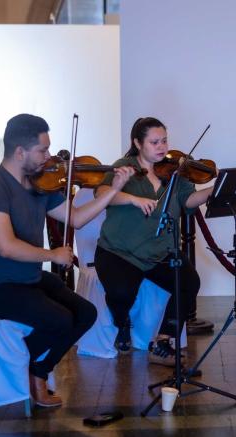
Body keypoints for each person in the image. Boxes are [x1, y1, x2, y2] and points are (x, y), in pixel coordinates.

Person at [0, 113, 135, 407]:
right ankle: (19, 367)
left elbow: (77, 218)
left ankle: (33, 367)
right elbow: (6, 247)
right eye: (42, 150)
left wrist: (114, 191)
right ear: (20, 152)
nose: (49, 157)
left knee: (85, 313)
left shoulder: (39, 185)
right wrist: (52, 255)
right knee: (59, 321)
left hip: (28, 278)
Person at [94, 117, 213, 365]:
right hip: (120, 251)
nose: (162, 147)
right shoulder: (125, 167)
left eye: (164, 141)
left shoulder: (175, 172)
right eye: (154, 142)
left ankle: (162, 341)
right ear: (138, 143)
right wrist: (132, 199)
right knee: (121, 292)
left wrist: (214, 190)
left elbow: (188, 201)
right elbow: (103, 194)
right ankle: (122, 322)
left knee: (189, 283)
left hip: (159, 251)